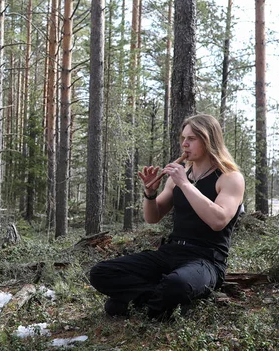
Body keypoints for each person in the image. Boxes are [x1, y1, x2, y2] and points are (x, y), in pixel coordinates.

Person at [89, 113, 245, 319]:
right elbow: (153, 217)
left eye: (191, 139)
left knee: (177, 284)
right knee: (100, 272)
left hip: (207, 259)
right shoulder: (180, 176)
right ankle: (155, 300)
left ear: (208, 140)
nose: (185, 145)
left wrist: (185, 184)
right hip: (170, 252)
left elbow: (218, 221)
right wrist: (150, 193)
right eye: (183, 139)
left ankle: (140, 299)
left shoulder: (230, 177)